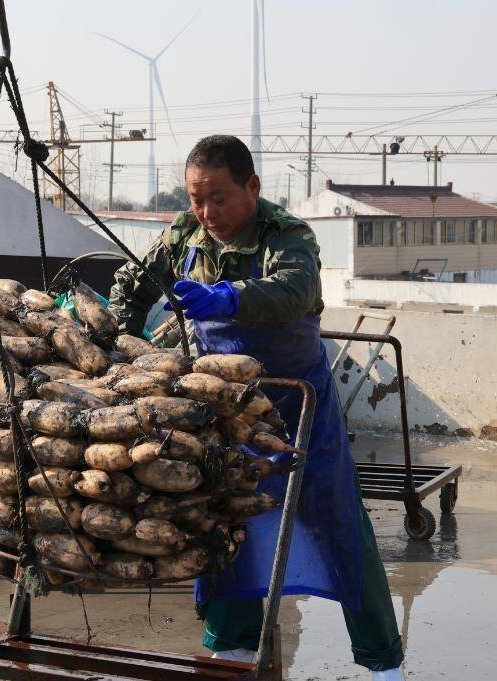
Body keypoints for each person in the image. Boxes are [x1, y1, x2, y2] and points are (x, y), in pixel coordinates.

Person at [109, 135, 405, 680]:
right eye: (197, 199)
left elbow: (295, 289)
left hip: (296, 406)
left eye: (218, 198)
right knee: (226, 519)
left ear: (252, 186)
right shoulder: (185, 234)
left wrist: (231, 298)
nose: (206, 212)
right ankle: (234, 645)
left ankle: (382, 661)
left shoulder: (287, 234)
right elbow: (134, 282)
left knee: (337, 520)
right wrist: (116, 341)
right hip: (221, 409)